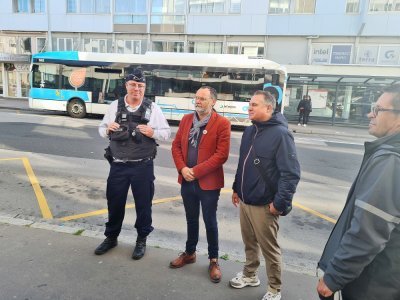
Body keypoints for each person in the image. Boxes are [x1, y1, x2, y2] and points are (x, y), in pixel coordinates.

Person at [317, 84, 400, 300]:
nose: (370, 113)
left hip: (374, 284)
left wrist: (334, 276)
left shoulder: (391, 160)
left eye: (378, 109)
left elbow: (368, 230)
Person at [230, 90, 300, 300]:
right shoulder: (250, 131)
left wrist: (279, 204)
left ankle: (274, 289)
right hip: (245, 199)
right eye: (249, 104)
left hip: (264, 204)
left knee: (270, 249)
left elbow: (291, 174)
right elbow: (243, 163)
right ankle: (250, 275)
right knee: (249, 242)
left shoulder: (281, 134)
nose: (249, 108)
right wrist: (236, 188)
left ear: (269, 108)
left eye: (254, 105)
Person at [95, 68, 171, 260]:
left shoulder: (153, 108)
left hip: (142, 166)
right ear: (126, 86)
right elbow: (102, 129)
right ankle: (111, 238)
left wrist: (152, 132)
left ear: (144, 87)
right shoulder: (114, 106)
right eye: (133, 85)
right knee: (115, 203)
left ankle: (141, 240)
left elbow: (166, 133)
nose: (137, 88)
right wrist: (108, 129)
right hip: (118, 165)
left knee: (143, 205)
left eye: (141, 85)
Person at [169, 86, 231, 283]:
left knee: (210, 221)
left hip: (208, 183)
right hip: (186, 180)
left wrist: (196, 171)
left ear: (213, 101)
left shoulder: (222, 123)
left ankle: (213, 260)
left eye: (202, 99)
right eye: (196, 98)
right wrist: (182, 168)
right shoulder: (187, 119)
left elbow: (221, 155)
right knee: (191, 219)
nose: (198, 101)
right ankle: (190, 253)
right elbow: (176, 146)